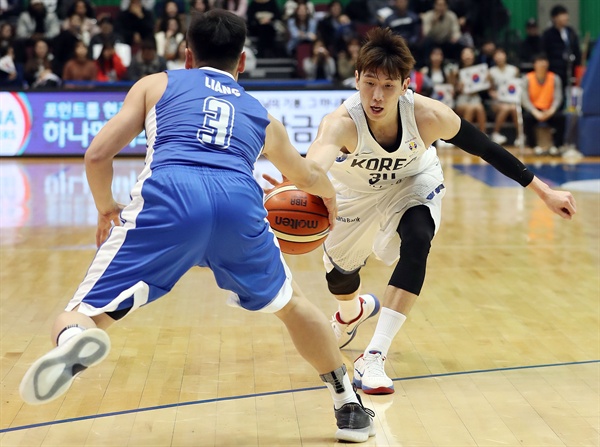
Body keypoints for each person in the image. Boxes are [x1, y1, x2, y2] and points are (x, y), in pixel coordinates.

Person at [18, 10, 375, 444]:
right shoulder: (261, 114)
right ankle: (347, 403)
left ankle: (75, 337)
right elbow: (306, 176)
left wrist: (105, 208)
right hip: (238, 204)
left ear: (187, 55)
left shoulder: (156, 84)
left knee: (81, 312)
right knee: (293, 305)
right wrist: (331, 197)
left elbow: (96, 155)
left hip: (169, 198)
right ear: (241, 62)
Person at [265, 27, 576, 395]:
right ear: (356, 80)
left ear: (406, 85)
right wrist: (298, 181)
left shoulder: (429, 116)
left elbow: (487, 148)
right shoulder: (340, 124)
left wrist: (543, 192)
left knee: (418, 239)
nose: (377, 96)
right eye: (369, 84)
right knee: (341, 278)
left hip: (414, 180)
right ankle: (351, 313)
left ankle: (374, 354)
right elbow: (315, 168)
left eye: (388, 86)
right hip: (353, 193)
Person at [521, 53, 565, 156]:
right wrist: (535, 112)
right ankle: (533, 146)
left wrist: (551, 111)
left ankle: (557, 146)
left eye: (545, 61)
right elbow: (524, 99)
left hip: (549, 110)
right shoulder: (527, 78)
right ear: (534, 64)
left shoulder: (555, 78)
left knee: (561, 118)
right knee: (527, 118)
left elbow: (558, 97)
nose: (543, 64)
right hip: (534, 110)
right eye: (540, 61)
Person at [541, 4, 581, 98]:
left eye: (566, 14)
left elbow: (576, 49)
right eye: (562, 15)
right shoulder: (548, 34)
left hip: (570, 69)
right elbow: (544, 52)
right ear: (555, 18)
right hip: (556, 70)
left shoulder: (570, 32)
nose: (566, 17)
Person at [488, 47, 521, 146]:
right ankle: (495, 133)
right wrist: (493, 93)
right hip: (498, 101)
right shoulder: (491, 72)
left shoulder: (514, 70)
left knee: (514, 108)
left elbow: (517, 85)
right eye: (497, 55)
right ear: (494, 58)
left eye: (501, 54)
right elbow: (490, 89)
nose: (500, 57)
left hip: (511, 100)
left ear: (506, 56)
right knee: (505, 108)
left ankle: (520, 136)